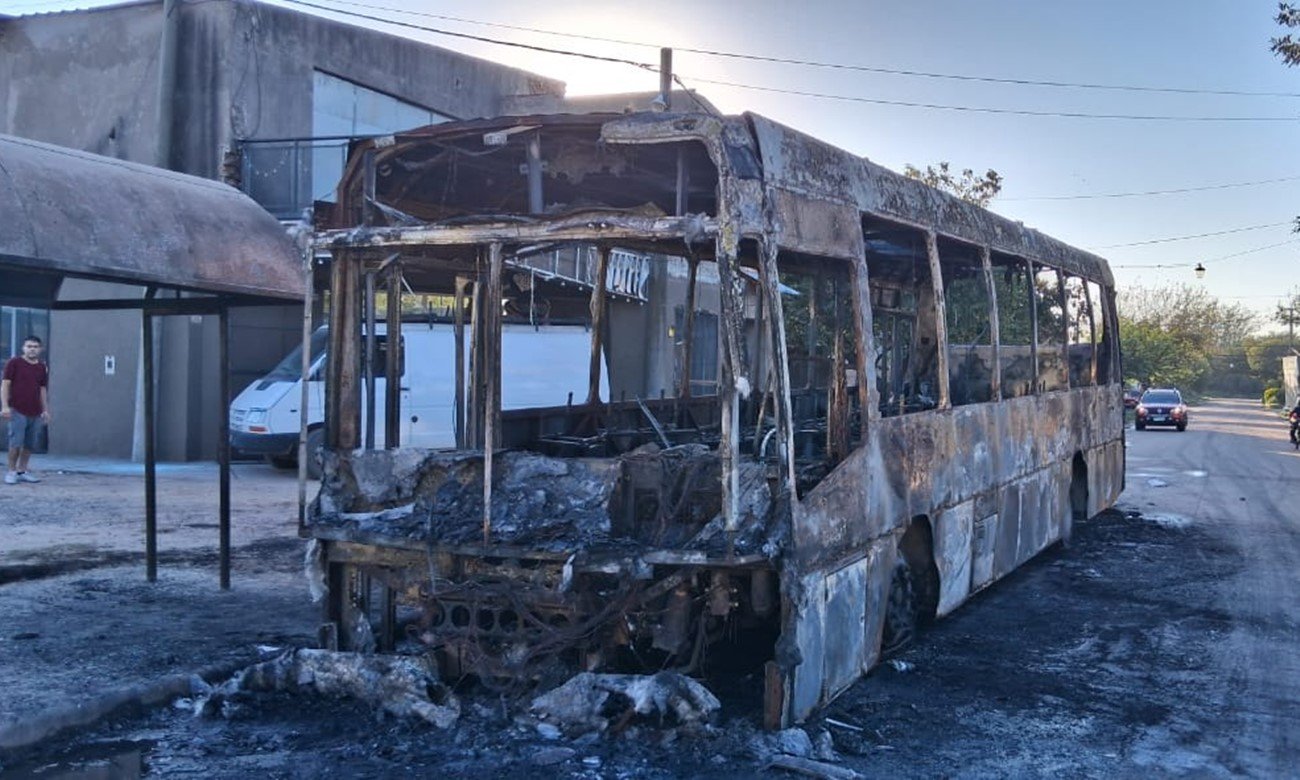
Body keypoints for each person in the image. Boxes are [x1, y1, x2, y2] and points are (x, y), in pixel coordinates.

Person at [1, 336, 51, 485]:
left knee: (29, 444)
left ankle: (22, 470)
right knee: (15, 443)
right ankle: (11, 472)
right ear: (23, 348)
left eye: (35, 346)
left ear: (40, 349)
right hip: (17, 409)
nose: (32, 349)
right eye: (29, 346)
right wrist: (4, 406)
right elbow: (5, 385)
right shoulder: (14, 363)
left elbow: (42, 389)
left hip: (35, 411)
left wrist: (45, 410)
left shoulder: (42, 367)